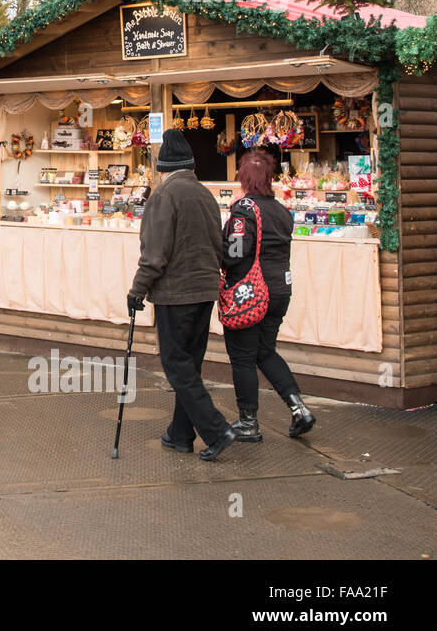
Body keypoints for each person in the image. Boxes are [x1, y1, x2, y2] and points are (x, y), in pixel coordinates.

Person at [127, 128, 236, 461]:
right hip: (205, 292)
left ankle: (216, 430)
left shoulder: (163, 196)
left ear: (162, 167)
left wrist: (137, 289)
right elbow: (219, 246)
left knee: (176, 365)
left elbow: (154, 253)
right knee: (190, 365)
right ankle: (181, 434)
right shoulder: (205, 195)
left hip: (176, 294)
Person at [221, 149, 316, 441]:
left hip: (250, 294)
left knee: (242, 358)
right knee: (265, 351)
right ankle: (298, 408)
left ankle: (248, 422)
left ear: (244, 178)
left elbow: (235, 254)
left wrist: (217, 248)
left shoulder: (243, 209)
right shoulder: (282, 211)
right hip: (279, 292)